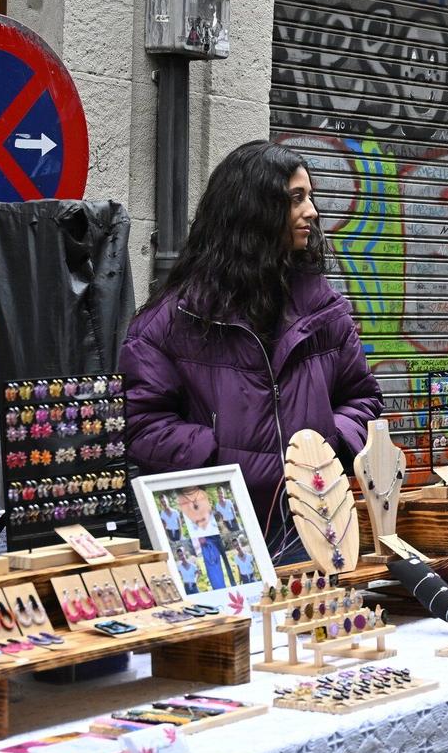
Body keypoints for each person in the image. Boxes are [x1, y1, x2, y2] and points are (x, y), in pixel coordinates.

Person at [122, 141, 382, 565]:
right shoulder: (175, 320)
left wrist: (326, 442)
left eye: (310, 197)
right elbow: (141, 423)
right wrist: (218, 454)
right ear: (253, 210)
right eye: (296, 198)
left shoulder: (324, 310)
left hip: (312, 523)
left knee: (315, 629)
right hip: (214, 527)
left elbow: (363, 399)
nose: (312, 212)